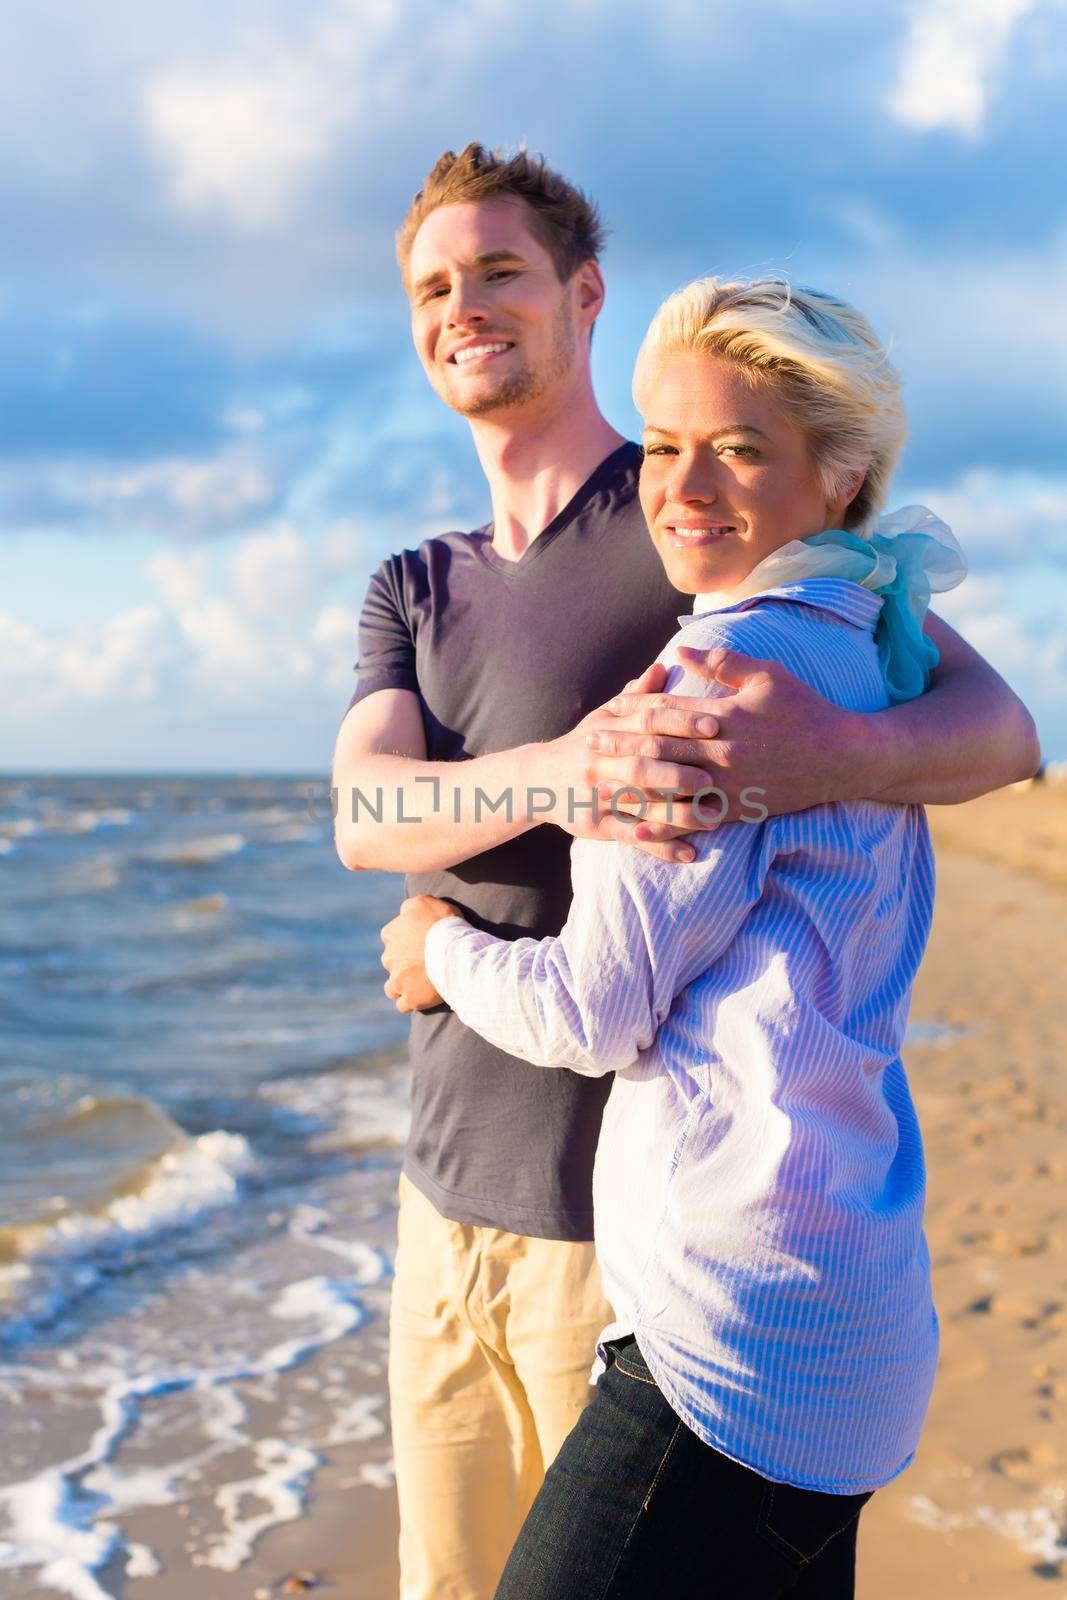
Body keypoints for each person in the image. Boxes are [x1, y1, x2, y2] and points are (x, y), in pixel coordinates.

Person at [333, 146, 1038, 1600]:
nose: (465, 306)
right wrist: (574, 768)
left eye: (501, 271)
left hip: (626, 1232)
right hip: (444, 1189)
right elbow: (364, 814)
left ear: (587, 295)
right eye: (433, 286)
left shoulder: (704, 543)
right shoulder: (418, 577)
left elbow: (996, 725)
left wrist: (829, 756)